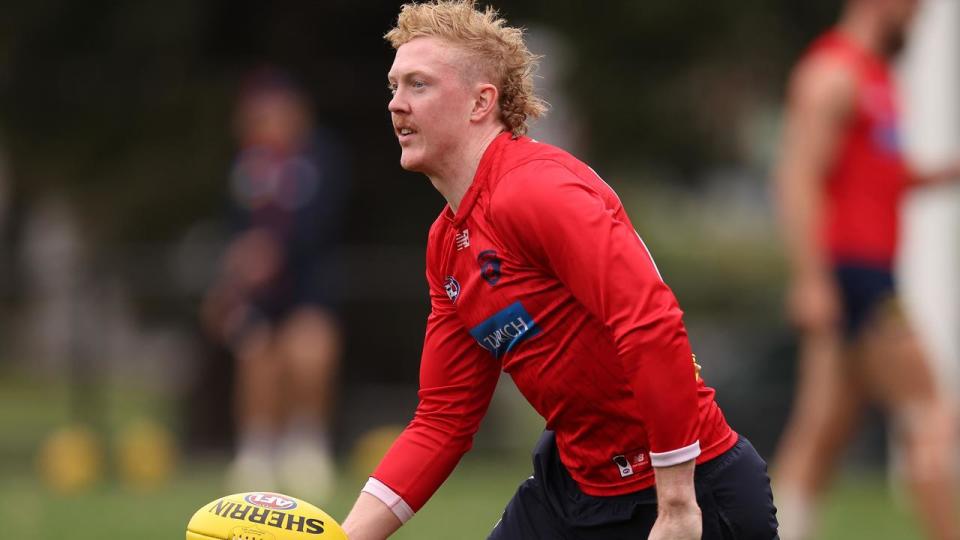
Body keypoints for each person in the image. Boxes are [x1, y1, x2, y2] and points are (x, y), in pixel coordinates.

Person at [341, 2, 778, 539]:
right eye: (394, 86)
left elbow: (650, 323)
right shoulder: (447, 244)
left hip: (688, 488)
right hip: (574, 491)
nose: (396, 105)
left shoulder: (534, 190)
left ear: (482, 102)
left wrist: (678, 503)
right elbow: (442, 420)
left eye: (418, 85)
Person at [771, 1, 960, 538]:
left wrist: (942, 175)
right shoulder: (832, 74)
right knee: (931, 409)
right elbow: (797, 178)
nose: (919, 17)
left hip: (863, 274)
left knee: (821, 430)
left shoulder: (875, 77)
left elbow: (877, 179)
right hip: (857, 277)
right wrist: (811, 280)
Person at [200, 70, 348, 502]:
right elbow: (236, 232)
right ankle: (257, 453)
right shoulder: (245, 167)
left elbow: (319, 225)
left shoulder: (320, 160)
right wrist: (228, 287)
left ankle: (306, 450)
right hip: (259, 296)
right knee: (256, 357)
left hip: (309, 287)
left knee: (309, 354)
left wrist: (273, 252)